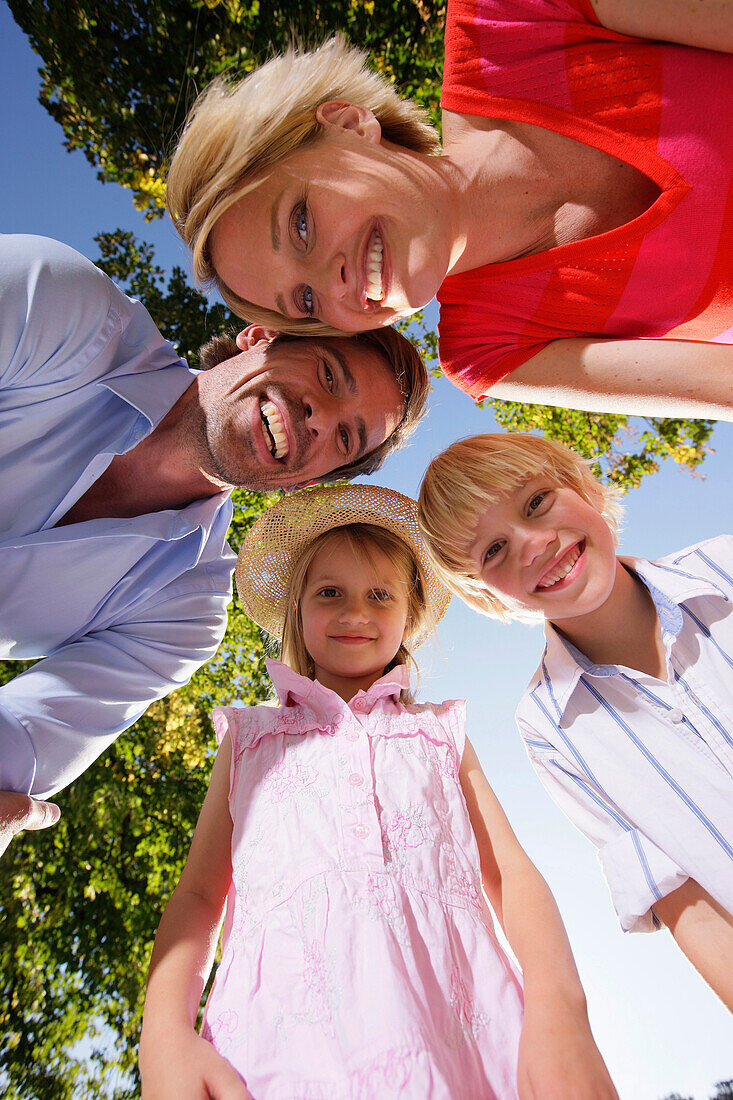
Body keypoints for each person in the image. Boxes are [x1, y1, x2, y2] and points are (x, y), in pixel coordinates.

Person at [139, 483, 618, 1099]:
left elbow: (512, 876)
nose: (354, 612)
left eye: (380, 595)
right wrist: (162, 1040)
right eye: (329, 593)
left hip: (461, 1033)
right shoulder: (251, 740)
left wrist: (561, 1013)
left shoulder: (438, 732)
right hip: (275, 1048)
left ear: (409, 616)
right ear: (297, 613)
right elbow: (201, 894)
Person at [0, 234, 427, 849]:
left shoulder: (184, 617)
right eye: (329, 376)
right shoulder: (65, 309)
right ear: (261, 335)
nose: (318, 420)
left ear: (306, 482)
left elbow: (24, 743)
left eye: (343, 441)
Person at [166, 0, 733, 421]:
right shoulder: (490, 351)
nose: (331, 281)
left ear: (348, 126)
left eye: (300, 224)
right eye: (307, 301)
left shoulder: (506, 21)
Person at [418, 432, 733, 1010]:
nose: (534, 545)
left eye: (536, 502)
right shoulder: (552, 733)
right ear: (489, 596)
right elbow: (682, 899)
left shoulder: (726, 567)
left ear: (584, 485)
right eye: (492, 551)